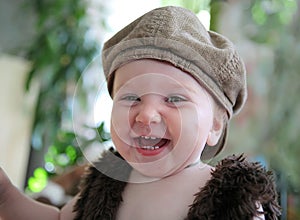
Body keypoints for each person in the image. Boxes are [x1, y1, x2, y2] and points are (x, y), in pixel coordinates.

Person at [0, 6, 281, 220]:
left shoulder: (229, 199)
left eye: (173, 99)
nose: (146, 115)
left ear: (215, 126)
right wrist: (5, 195)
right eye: (131, 97)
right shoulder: (109, 181)